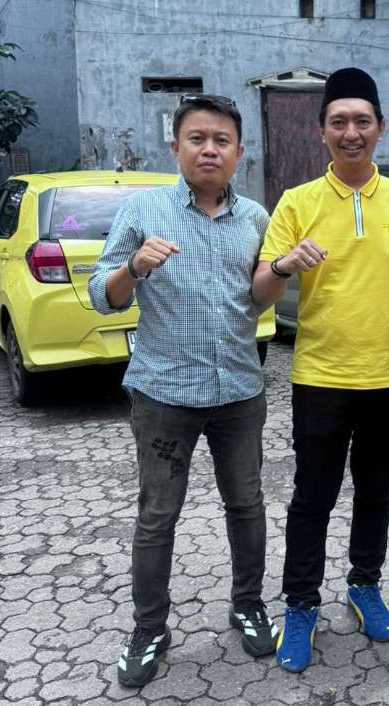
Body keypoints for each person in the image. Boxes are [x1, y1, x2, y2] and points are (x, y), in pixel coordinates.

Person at [88, 94, 276, 688]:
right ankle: (150, 628)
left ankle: (248, 604)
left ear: (239, 152)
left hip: (238, 392)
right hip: (163, 395)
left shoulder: (255, 218)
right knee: (158, 516)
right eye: (197, 138)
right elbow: (101, 295)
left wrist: (284, 269)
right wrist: (134, 268)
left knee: (246, 505)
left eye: (222, 140)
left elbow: (258, 298)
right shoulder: (143, 210)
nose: (209, 150)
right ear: (176, 147)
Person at [251, 67, 389, 673]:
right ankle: (301, 603)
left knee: (375, 492)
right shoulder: (296, 201)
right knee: (313, 497)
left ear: (380, 128)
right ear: (321, 130)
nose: (351, 132)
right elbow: (260, 291)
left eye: (362, 121)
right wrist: (283, 265)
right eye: (338, 122)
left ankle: (364, 583)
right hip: (321, 377)